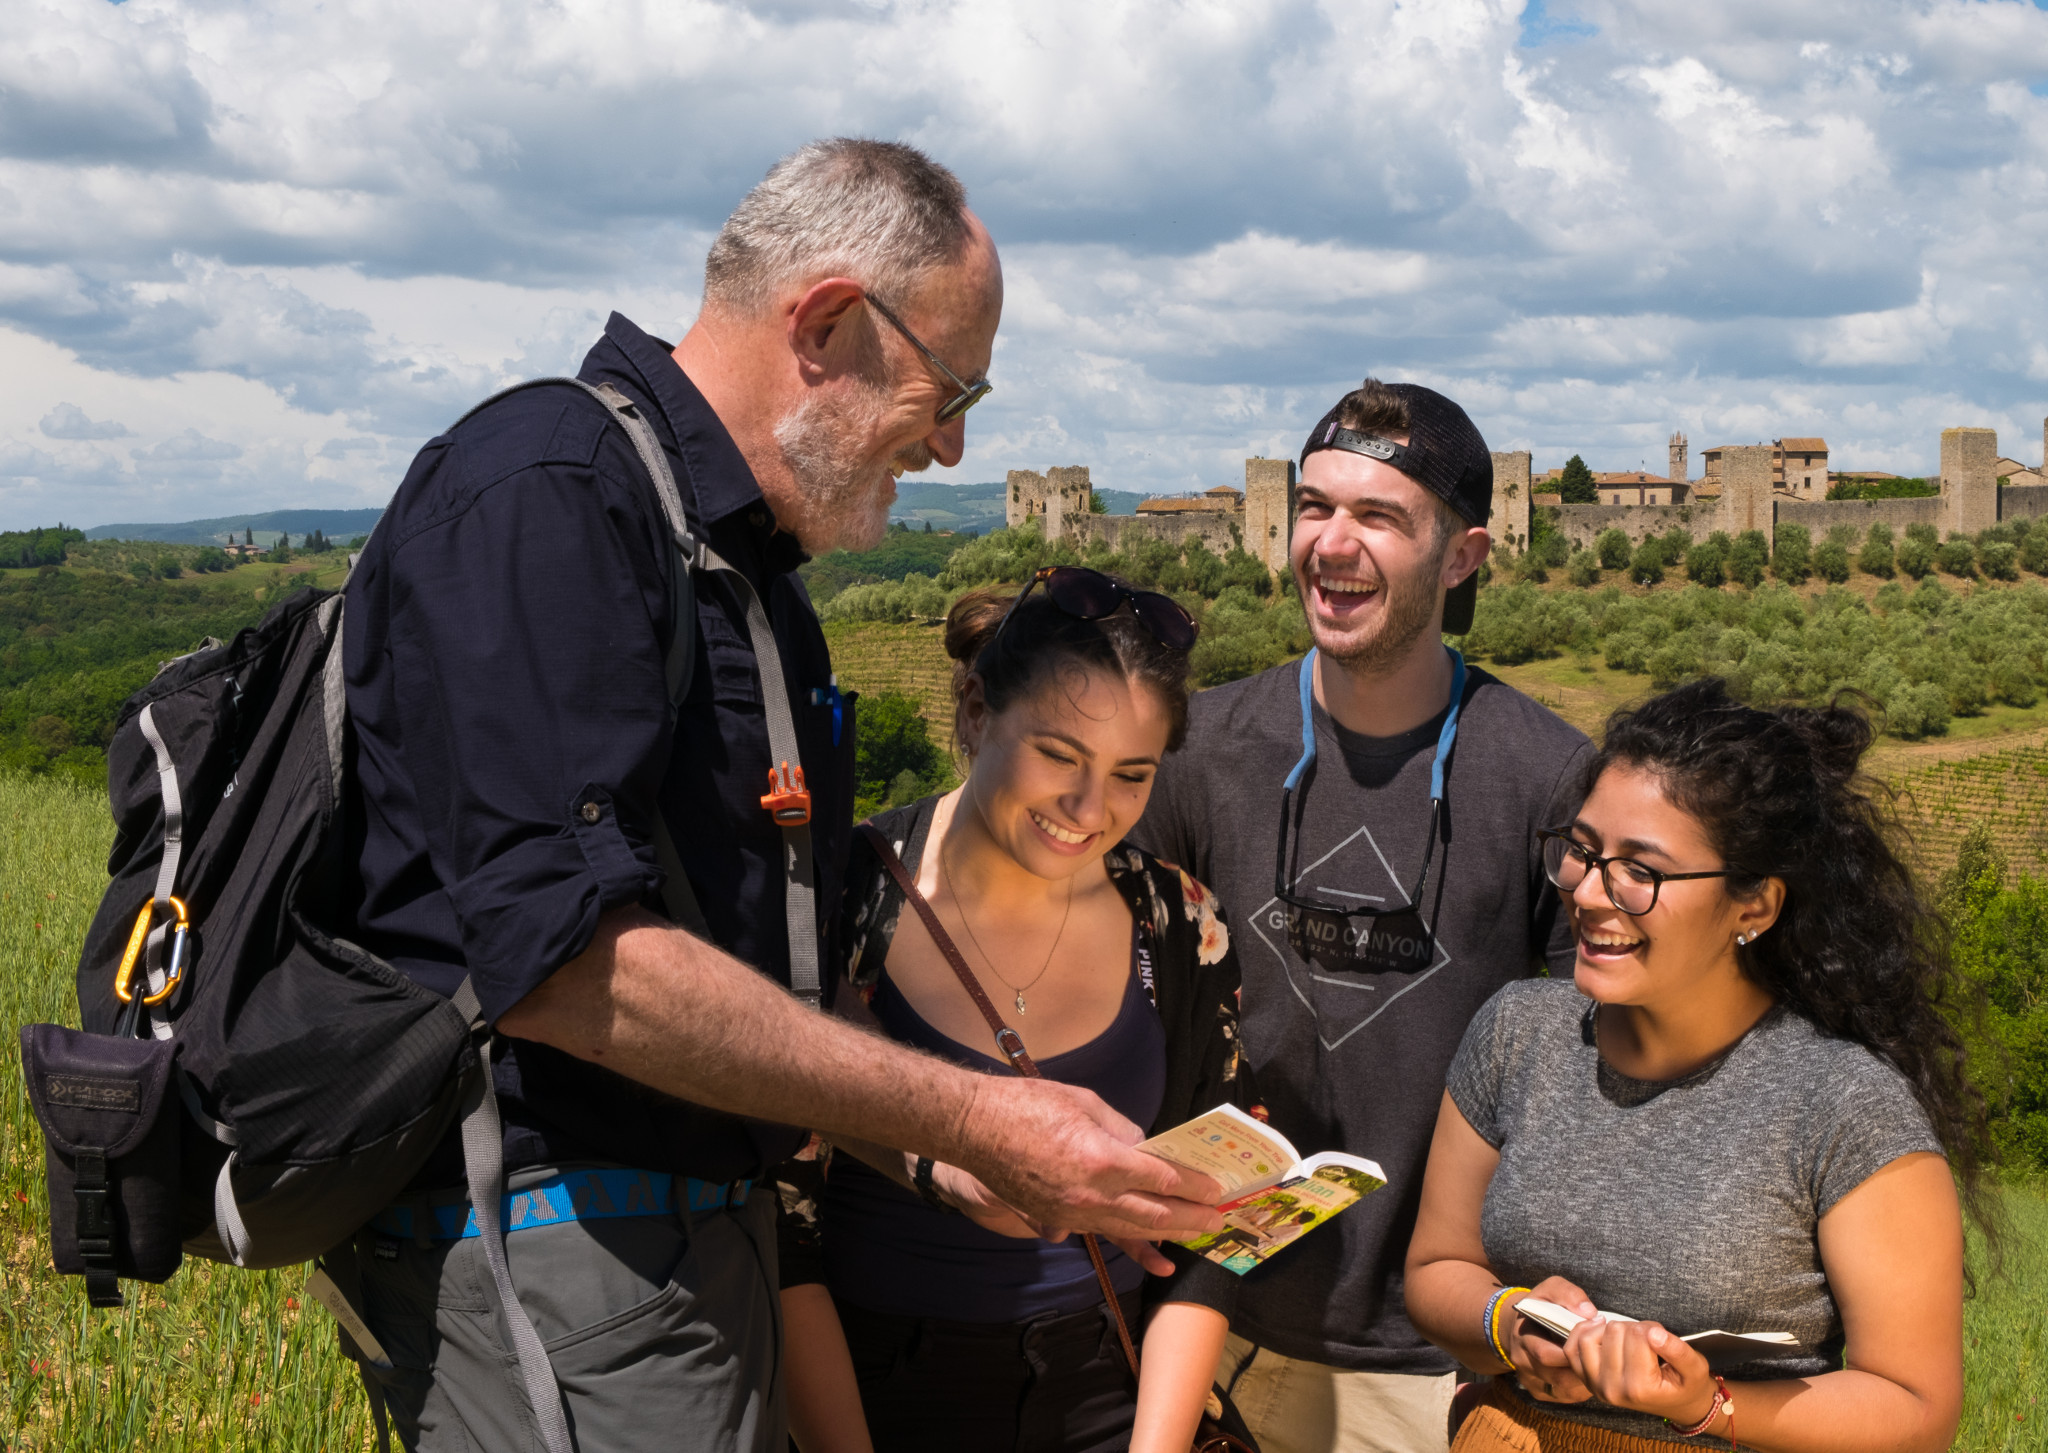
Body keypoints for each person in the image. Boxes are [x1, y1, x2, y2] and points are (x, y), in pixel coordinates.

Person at [339, 139, 1221, 1453]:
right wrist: (972, 1112)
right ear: (825, 323)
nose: (952, 441)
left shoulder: (747, 577)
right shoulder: (554, 491)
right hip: (558, 1244)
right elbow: (562, 962)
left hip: (680, 1249)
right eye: (949, 387)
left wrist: (925, 1160)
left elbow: (756, 972)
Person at [1131, 379, 1594, 1453]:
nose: (1330, 545)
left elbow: (1593, 1072)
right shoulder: (1190, 752)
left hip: (1437, 1369)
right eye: (1311, 506)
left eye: (1378, 517)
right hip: (1203, 1339)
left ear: (1465, 555)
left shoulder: (1549, 778)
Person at [1404, 679, 1982, 1453]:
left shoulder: (1844, 1105)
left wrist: (1703, 1404)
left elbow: (1917, 1412)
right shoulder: (1518, 1033)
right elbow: (1437, 1266)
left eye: (1640, 871)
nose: (1589, 891)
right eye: (1582, 851)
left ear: (1755, 907)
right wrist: (1509, 1324)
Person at [774, 571, 1246, 1453]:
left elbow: (1210, 1231)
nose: (1088, 808)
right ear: (978, 707)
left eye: (1130, 775)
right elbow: (778, 1221)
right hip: (876, 1395)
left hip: (1115, 1396)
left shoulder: (1183, 924)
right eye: (1061, 755)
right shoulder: (842, 902)